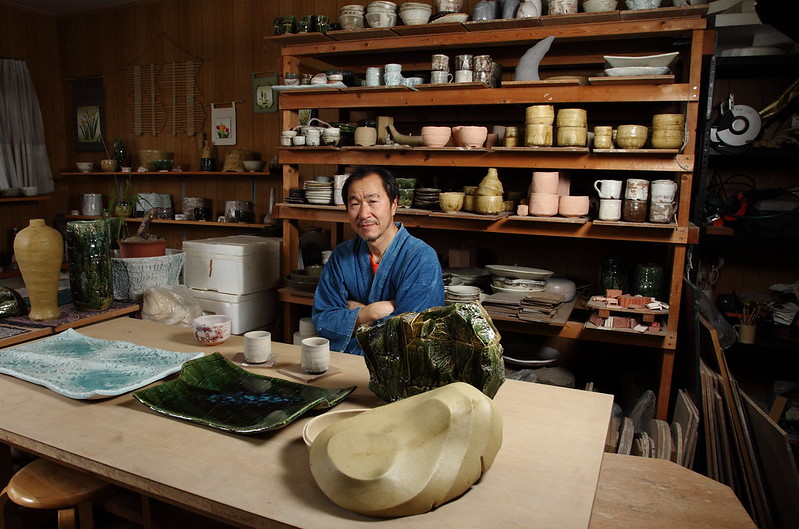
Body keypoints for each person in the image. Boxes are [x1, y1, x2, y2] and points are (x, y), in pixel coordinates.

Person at [312, 166, 445, 355]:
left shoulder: (420, 258)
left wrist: (353, 316)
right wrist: (372, 312)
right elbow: (323, 321)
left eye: (373, 201)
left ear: (393, 205)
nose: (364, 213)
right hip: (347, 367)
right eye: (355, 204)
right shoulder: (342, 255)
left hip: (403, 377)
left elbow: (411, 336)